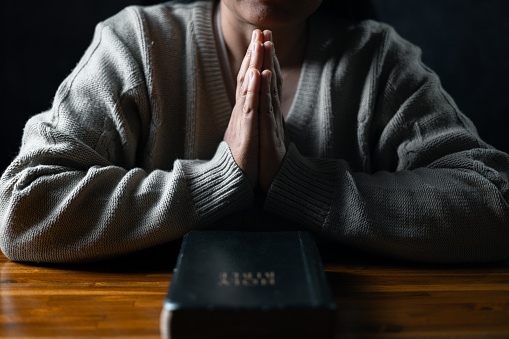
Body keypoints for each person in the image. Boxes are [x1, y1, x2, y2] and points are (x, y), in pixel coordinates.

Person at [1, 0, 508, 264]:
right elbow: (23, 206)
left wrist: (301, 183)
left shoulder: (376, 61)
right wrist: (219, 178)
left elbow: (495, 202)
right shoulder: (137, 45)